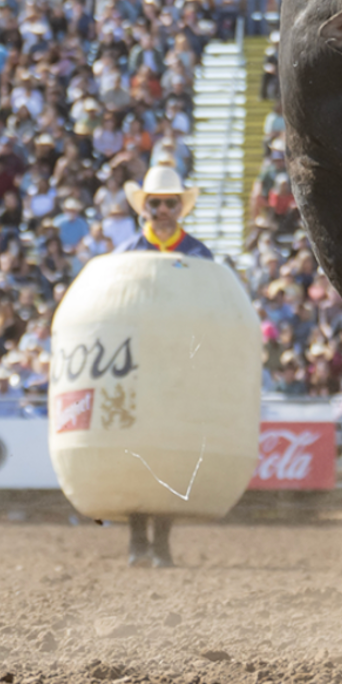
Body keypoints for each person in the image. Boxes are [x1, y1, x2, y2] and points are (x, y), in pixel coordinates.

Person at [116, 162, 213, 568]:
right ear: (145, 207)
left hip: (178, 370)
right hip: (138, 370)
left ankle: (162, 543)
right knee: (137, 454)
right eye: (155, 203)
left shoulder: (198, 255)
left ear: (179, 208)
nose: (162, 210)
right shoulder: (127, 255)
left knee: (173, 455)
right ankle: (138, 540)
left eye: (169, 203)